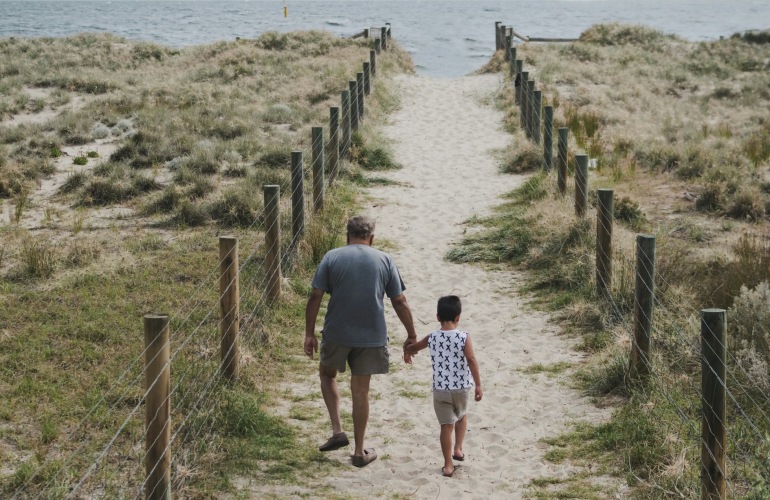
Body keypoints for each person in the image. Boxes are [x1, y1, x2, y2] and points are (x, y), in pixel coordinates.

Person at [304, 215, 418, 468]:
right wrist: (411, 333)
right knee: (361, 391)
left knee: (327, 374)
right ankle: (358, 451)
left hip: (336, 333)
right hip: (371, 336)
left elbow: (315, 296)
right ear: (372, 237)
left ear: (347, 236)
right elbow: (399, 301)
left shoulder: (332, 257)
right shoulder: (385, 259)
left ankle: (337, 431)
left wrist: (309, 333)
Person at [404, 295, 482, 478]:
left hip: (441, 390)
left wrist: (408, 351)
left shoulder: (432, 337)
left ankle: (448, 465)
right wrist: (478, 384)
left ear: (437, 317)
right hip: (461, 387)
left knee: (446, 426)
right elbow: (471, 359)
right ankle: (458, 449)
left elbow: (416, 347)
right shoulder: (464, 336)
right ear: (458, 317)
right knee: (462, 416)